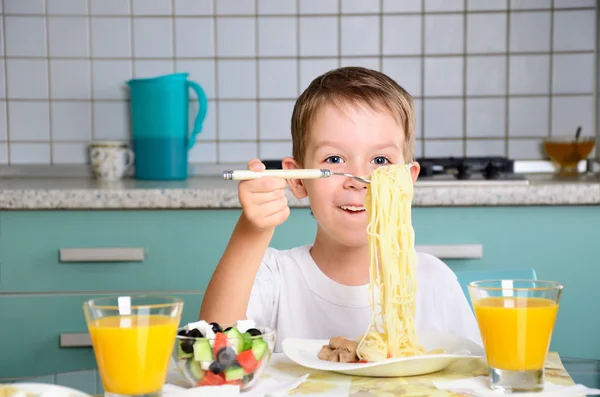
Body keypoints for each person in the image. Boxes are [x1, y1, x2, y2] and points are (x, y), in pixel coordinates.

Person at [200, 66, 481, 352]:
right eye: (334, 159)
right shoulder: (274, 278)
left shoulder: (434, 280)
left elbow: (475, 374)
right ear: (297, 179)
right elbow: (214, 353)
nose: (358, 180)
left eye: (381, 161)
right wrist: (252, 231)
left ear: (406, 182)